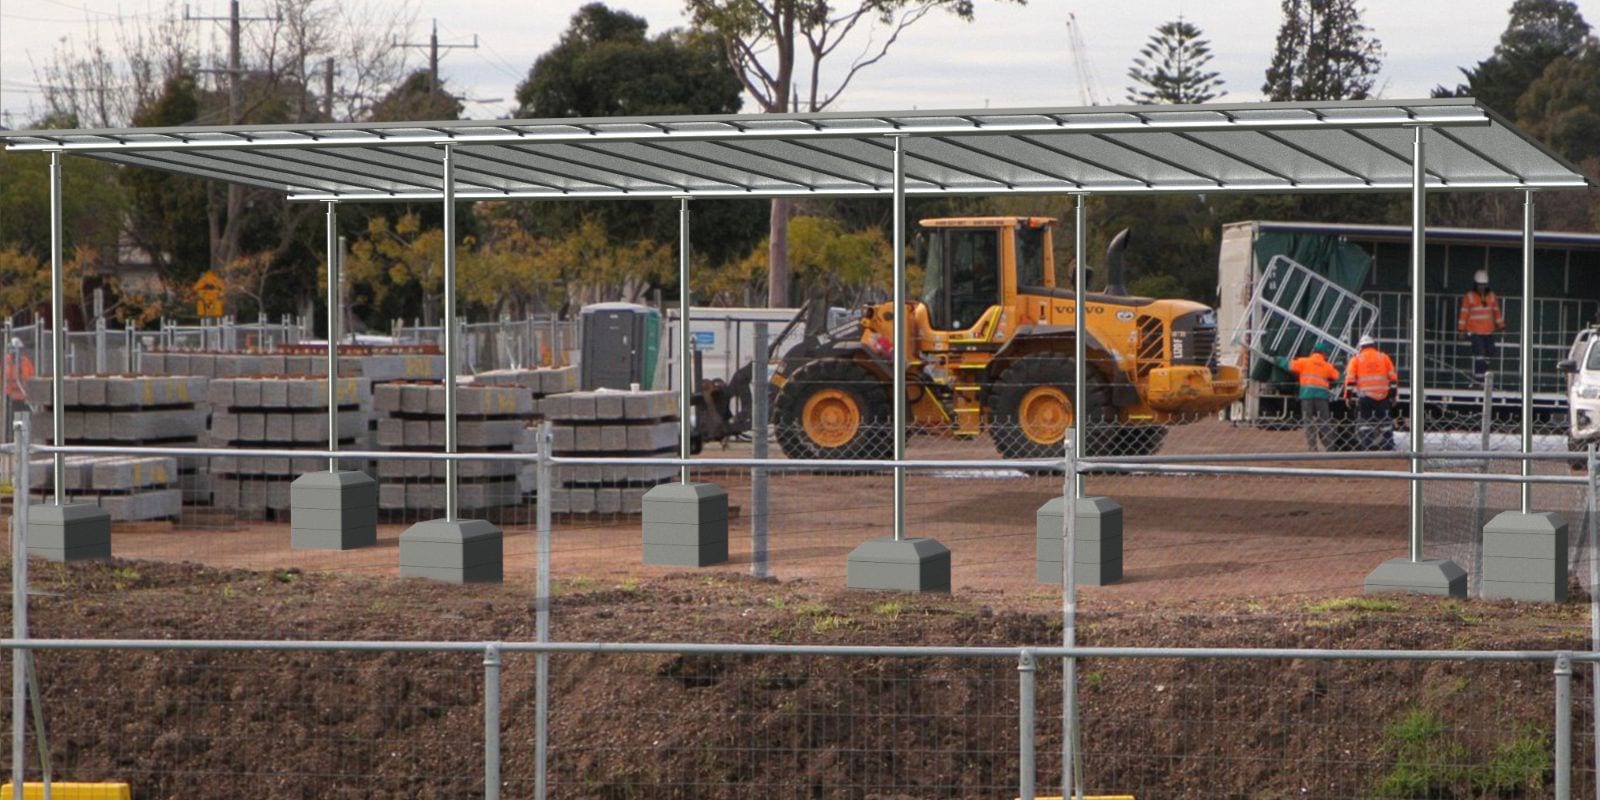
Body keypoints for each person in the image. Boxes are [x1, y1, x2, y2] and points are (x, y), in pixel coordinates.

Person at [1277, 340, 1342, 451]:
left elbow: (1288, 365)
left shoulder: (1304, 362)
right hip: (1321, 397)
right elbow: (1338, 378)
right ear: (1324, 354)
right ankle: (1330, 448)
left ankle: (1312, 448)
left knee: (1308, 422)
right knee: (1324, 422)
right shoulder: (1328, 366)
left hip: (1307, 396)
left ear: (1313, 352)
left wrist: (1278, 359)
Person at [1343, 334, 1398, 451]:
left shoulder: (1356, 359)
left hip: (1365, 397)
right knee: (1386, 423)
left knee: (1366, 424)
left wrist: (1348, 397)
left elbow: (1350, 380)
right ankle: (1389, 447)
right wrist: (1393, 395)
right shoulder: (1384, 357)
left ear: (1361, 347)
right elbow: (1393, 378)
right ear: (1374, 345)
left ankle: (1366, 448)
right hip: (1383, 396)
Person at [1457, 269, 1505, 381]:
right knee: (1480, 353)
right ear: (1475, 284)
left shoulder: (1491, 296)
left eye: (1484, 285)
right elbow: (1464, 314)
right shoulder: (1469, 297)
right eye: (1479, 285)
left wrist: (1502, 327)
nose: (1482, 287)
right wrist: (1461, 331)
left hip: (1488, 331)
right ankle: (1478, 380)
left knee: (1490, 352)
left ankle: (1483, 376)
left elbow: (1497, 313)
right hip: (1474, 331)